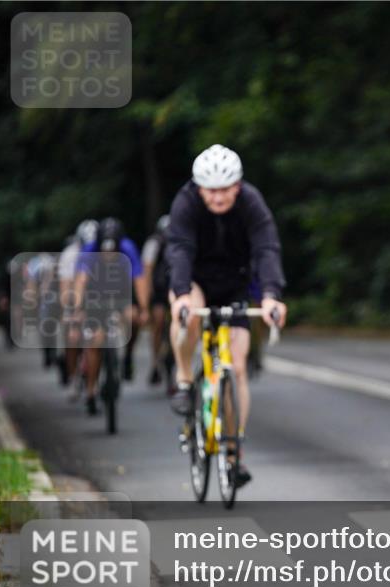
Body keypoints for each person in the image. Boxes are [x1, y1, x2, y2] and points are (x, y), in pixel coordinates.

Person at [166, 144, 287, 488]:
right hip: (195, 279)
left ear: (238, 185)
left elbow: (266, 248)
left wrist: (271, 296)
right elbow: (179, 250)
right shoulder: (185, 203)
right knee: (189, 315)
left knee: (236, 364)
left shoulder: (251, 202)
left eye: (225, 190)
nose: (218, 198)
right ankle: (186, 378)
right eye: (211, 191)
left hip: (235, 283)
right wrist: (180, 295)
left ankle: (234, 454)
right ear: (199, 187)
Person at [73, 217, 149, 414]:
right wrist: (77, 308)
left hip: (120, 294)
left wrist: (143, 308)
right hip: (95, 297)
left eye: (113, 251)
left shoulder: (128, 248)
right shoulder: (89, 251)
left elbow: (139, 279)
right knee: (95, 342)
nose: (109, 255)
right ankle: (91, 390)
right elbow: (80, 282)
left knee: (133, 319)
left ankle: (128, 355)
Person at [58, 219, 99, 391]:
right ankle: (73, 373)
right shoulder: (70, 254)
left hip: (98, 297)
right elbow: (66, 285)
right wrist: (70, 311)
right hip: (75, 296)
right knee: (71, 335)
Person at [142, 214, 174, 388]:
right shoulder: (153, 244)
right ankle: (155, 362)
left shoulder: (181, 241)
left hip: (176, 288)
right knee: (158, 321)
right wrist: (147, 301)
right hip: (159, 290)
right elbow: (147, 271)